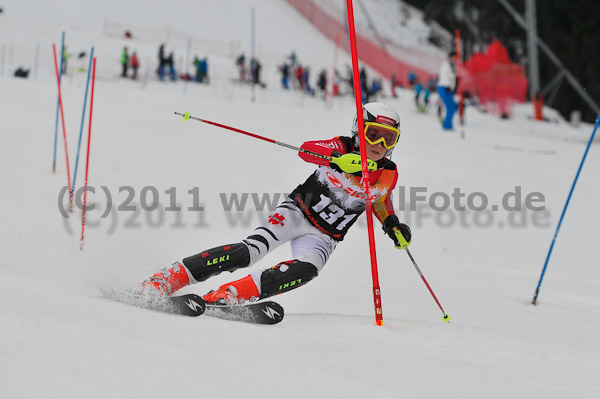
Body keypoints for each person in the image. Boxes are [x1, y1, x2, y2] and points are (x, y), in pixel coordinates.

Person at [140, 103, 412, 305]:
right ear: (357, 130)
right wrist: (335, 158)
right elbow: (308, 149)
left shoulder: (389, 172)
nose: (378, 144)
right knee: (249, 252)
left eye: (387, 138)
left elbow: (380, 199)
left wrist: (391, 223)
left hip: (326, 237)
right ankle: (170, 277)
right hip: (296, 213)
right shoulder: (341, 147)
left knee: (307, 270)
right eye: (372, 133)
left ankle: (230, 294)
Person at [437, 51, 458, 130]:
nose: (455, 59)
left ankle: (447, 124)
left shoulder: (453, 66)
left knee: (453, 106)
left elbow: (452, 77)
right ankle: (446, 125)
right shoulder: (446, 64)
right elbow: (443, 75)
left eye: (456, 57)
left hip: (449, 89)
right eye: (454, 57)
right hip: (444, 87)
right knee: (451, 106)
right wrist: (447, 85)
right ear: (451, 57)